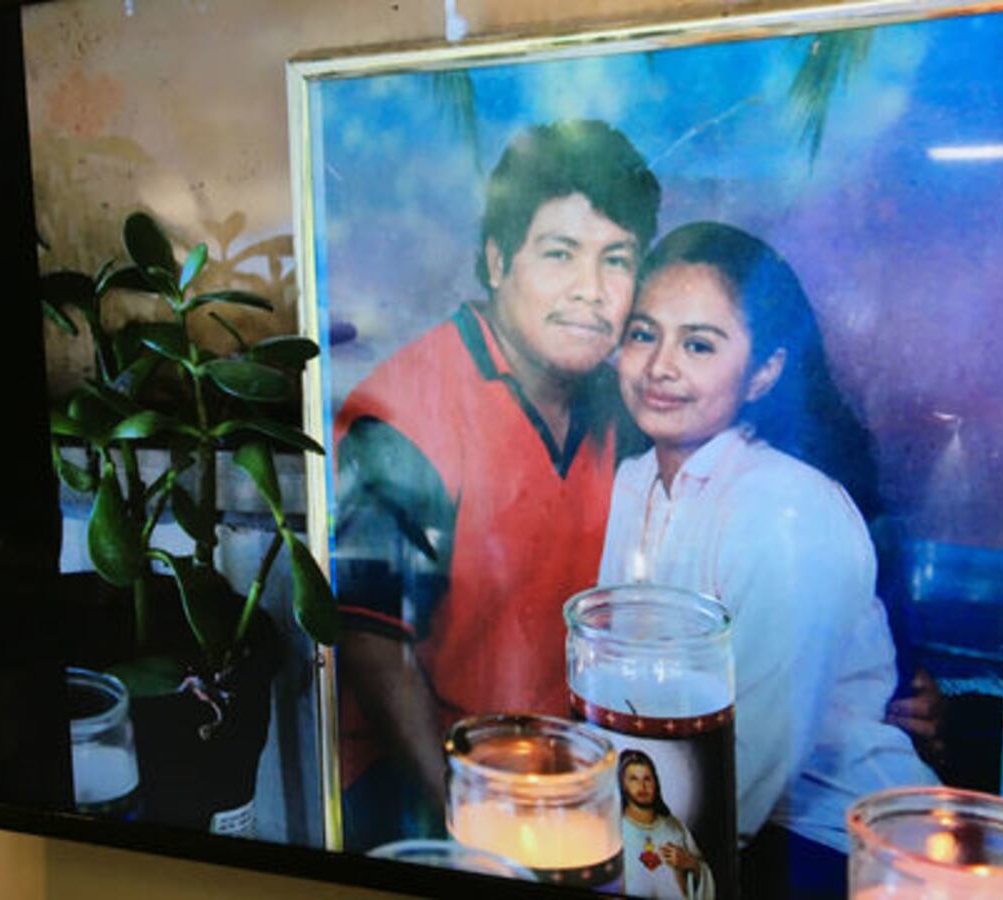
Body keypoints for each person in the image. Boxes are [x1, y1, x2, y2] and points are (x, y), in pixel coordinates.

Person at [330, 119, 661, 850]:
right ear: (497, 259)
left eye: (616, 260)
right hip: (420, 790)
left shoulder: (622, 406)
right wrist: (473, 827)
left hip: (570, 778)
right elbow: (373, 646)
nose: (590, 290)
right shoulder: (406, 416)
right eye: (559, 254)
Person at [596, 222, 941, 898]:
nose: (660, 365)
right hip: (680, 817)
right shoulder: (630, 482)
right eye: (643, 334)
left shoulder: (791, 510)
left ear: (765, 372)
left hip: (833, 839)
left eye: (699, 344)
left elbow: (745, 773)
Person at [618, 749, 714, 899]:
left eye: (647, 779)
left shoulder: (675, 829)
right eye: (633, 779)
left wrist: (691, 864)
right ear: (623, 785)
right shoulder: (613, 830)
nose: (642, 786)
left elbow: (702, 875)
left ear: (656, 783)